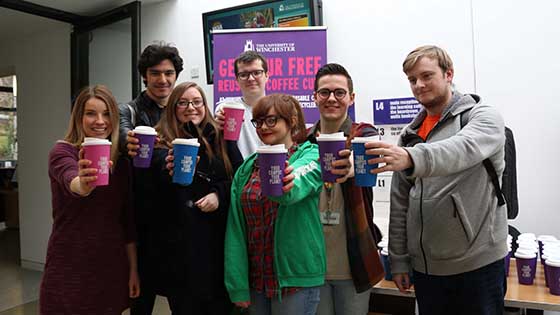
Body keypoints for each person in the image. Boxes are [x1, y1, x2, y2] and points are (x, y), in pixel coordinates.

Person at [365, 45, 507, 315]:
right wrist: (399, 260)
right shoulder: (411, 134)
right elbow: (400, 205)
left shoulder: (482, 116)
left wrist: (411, 157)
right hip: (427, 269)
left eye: (427, 76)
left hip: (478, 265)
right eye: (412, 79)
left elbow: (460, 149)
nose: (419, 85)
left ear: (449, 74)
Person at [127, 82, 242, 314]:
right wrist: (165, 168)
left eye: (197, 101)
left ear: (205, 105)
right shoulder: (159, 141)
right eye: (183, 102)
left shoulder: (220, 138)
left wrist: (219, 195)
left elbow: (240, 179)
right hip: (179, 250)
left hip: (216, 246)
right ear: (173, 107)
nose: (191, 107)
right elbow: (146, 194)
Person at [40, 85, 139, 314]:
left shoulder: (122, 162)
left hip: (110, 265)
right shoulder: (62, 152)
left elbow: (127, 221)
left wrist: (133, 269)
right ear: (78, 117)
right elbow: (71, 181)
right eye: (91, 113)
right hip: (69, 264)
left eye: (106, 114)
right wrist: (84, 184)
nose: (100, 121)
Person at [225, 94, 325, 315]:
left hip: (295, 279)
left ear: (291, 121)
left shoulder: (311, 155)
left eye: (271, 120)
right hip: (256, 281)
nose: (263, 127)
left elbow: (292, 191)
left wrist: (280, 177)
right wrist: (237, 284)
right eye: (258, 121)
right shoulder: (247, 168)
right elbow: (236, 229)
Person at [307, 63, 384, 315]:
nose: (332, 98)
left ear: (351, 98)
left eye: (339, 92)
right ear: (314, 97)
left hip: (353, 262)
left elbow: (368, 150)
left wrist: (351, 164)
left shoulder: (363, 133)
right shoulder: (302, 141)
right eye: (324, 92)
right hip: (311, 263)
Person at [118, 43, 184, 314]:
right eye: (155, 73)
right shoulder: (130, 111)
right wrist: (127, 142)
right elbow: (121, 134)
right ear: (145, 76)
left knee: (182, 298)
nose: (163, 79)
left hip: (177, 220)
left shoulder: (183, 111)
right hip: (142, 221)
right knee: (141, 301)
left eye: (169, 73)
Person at [215, 50, 268, 157]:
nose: (251, 78)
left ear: (267, 75)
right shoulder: (228, 109)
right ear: (237, 80)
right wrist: (217, 125)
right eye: (244, 75)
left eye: (257, 73)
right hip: (240, 172)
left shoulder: (279, 108)